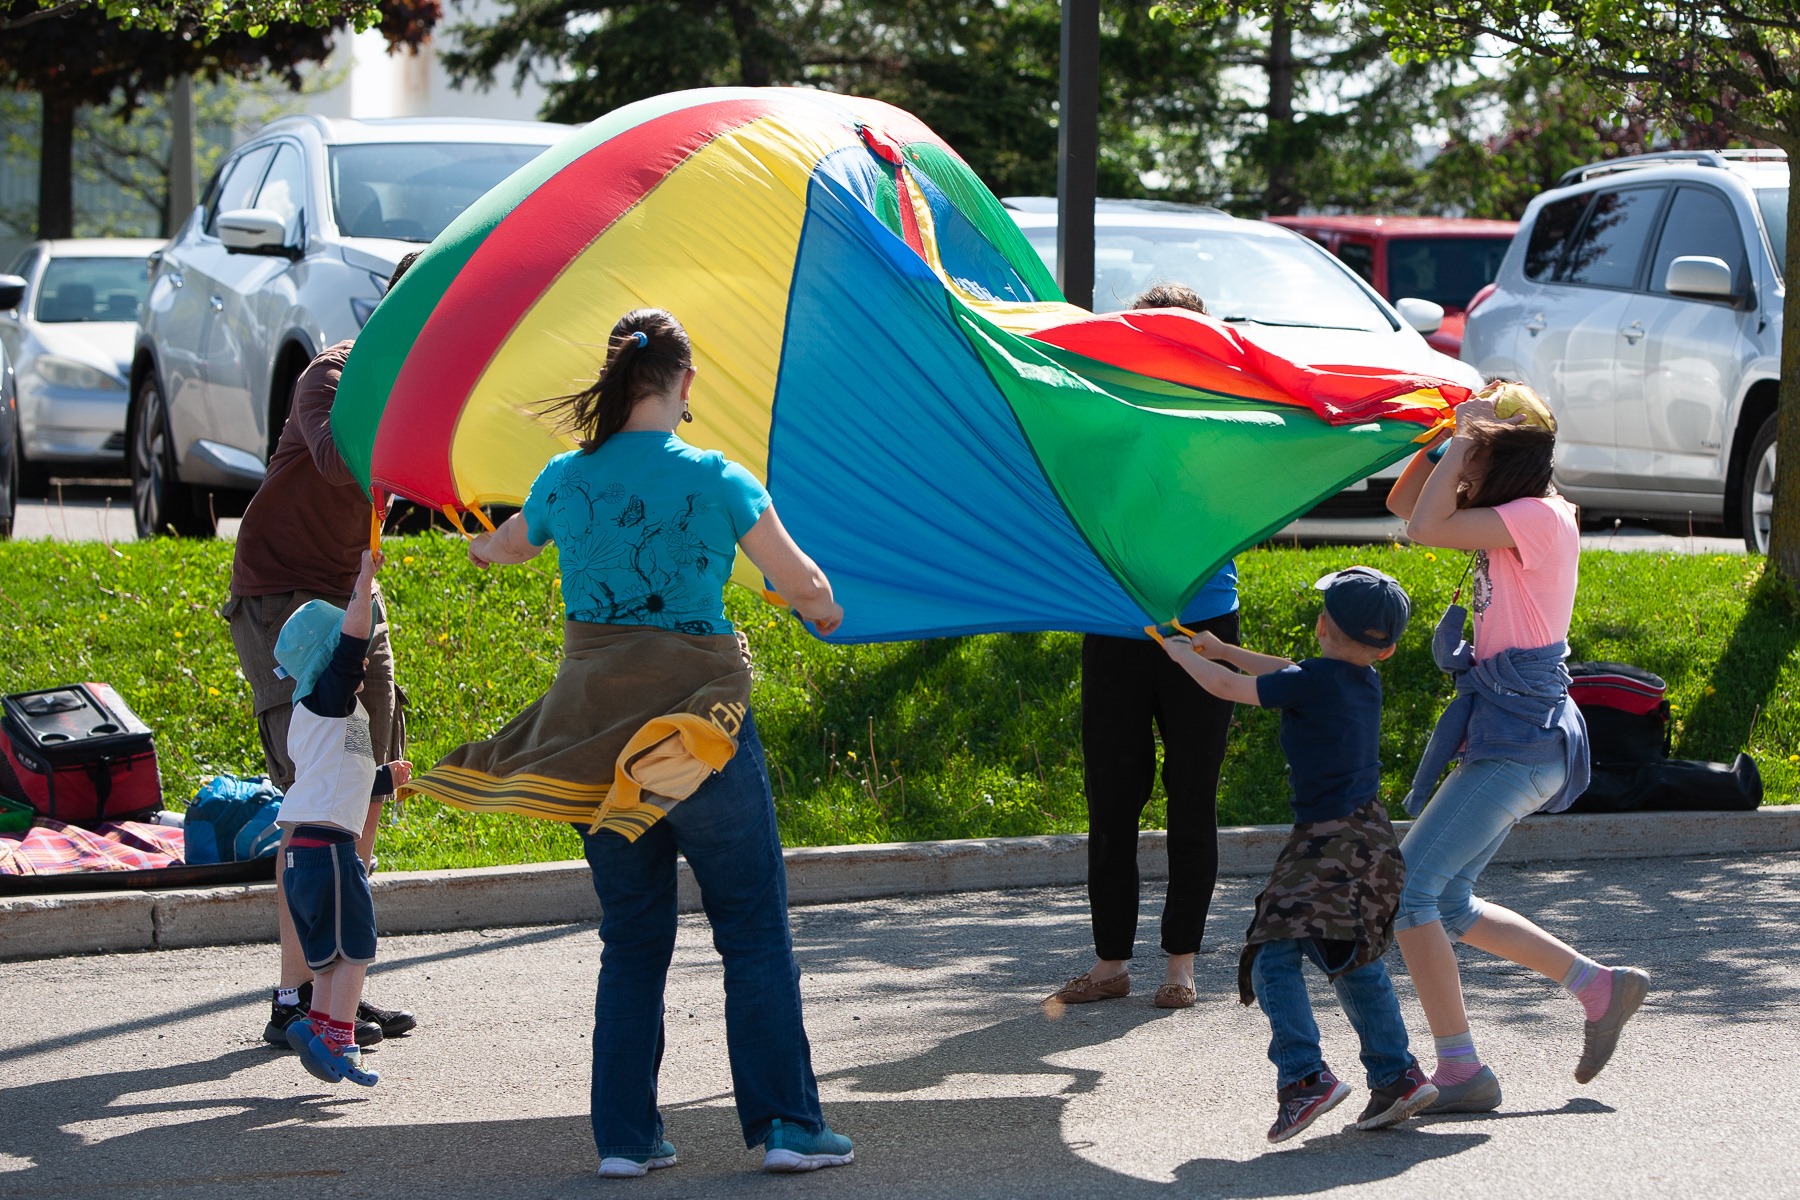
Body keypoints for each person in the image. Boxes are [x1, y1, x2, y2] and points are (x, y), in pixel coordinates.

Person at [454, 307, 854, 1178]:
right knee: (752, 932)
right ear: (684, 384)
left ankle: (626, 1142)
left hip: (597, 734)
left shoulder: (565, 478)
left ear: (614, 379)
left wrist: (481, 548)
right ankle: (787, 1126)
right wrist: (823, 611)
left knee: (632, 939)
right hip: (696, 732)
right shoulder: (716, 477)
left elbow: (509, 546)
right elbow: (804, 582)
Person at [1384, 380, 1647, 1114]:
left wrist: (1466, 439)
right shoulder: (1518, 513)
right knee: (1452, 903)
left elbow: (1423, 530)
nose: (1463, 466)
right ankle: (1600, 987)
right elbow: (1408, 508)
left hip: (1521, 737)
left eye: (1477, 452)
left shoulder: (1537, 517)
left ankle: (1460, 1069)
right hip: (1514, 733)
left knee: (1409, 894)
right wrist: (1441, 436)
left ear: (1505, 457)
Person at [1160, 566, 1437, 1142]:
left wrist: (1180, 654)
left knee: (1270, 953)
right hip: (1372, 842)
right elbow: (1287, 674)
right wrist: (1221, 647)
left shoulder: (1314, 679)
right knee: (1349, 956)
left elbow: (1228, 688)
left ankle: (1304, 1078)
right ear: (1383, 650)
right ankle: (1397, 1076)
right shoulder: (1357, 678)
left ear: (1320, 625)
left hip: (1327, 842)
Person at [225, 254, 420, 1051]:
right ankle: (293, 995)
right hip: (282, 601)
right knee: (315, 794)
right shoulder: (330, 376)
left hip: (354, 596)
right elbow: (344, 462)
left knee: (367, 786)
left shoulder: (414, 397)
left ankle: (338, 986)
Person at [1047, 282, 1241, 1012]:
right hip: (1116, 627)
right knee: (1112, 799)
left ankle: (1180, 966)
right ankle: (1110, 964)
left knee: (1192, 798)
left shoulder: (1230, 420)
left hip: (1205, 626)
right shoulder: (1109, 415)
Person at [269, 550, 413, 1087]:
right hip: (329, 853)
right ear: (329, 661)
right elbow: (352, 642)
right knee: (357, 948)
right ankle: (338, 1038)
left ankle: (319, 1026)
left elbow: (339, 780)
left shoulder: (328, 714)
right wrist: (362, 582)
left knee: (330, 956)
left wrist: (383, 781)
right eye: (351, 656)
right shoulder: (328, 697)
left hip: (313, 848)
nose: (363, 663)